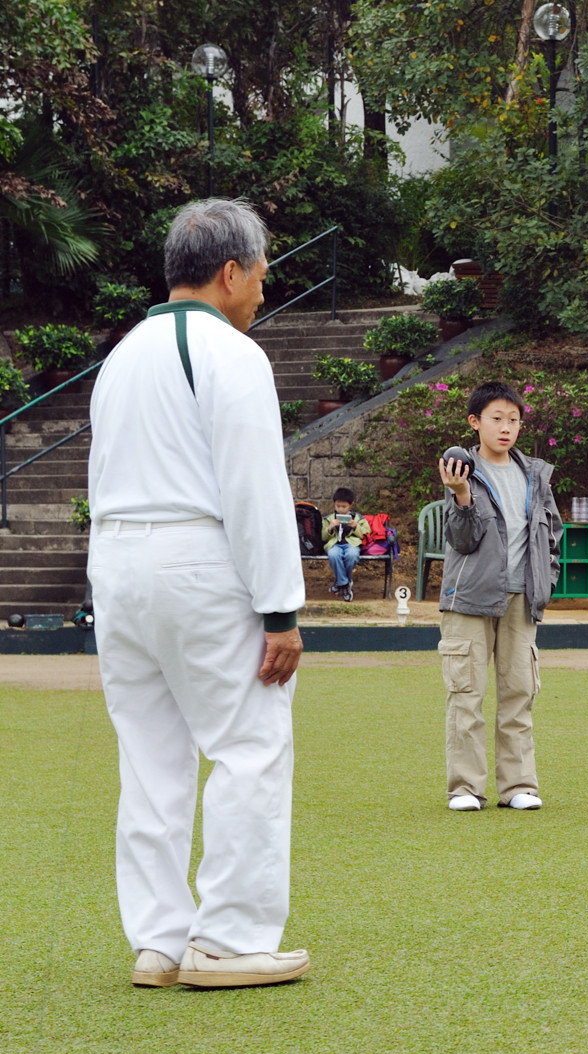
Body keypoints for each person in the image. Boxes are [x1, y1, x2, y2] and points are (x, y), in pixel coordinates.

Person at [87, 198, 309, 988]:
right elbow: (255, 488)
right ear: (228, 272)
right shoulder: (232, 354)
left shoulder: (122, 354)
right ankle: (231, 938)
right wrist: (280, 610)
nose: (262, 291)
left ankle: (158, 938)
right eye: (259, 276)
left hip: (116, 560)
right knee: (249, 743)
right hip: (197, 558)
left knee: (150, 758)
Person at [435, 381, 565, 812]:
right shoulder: (462, 470)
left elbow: (552, 535)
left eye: (514, 420)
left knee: (519, 694)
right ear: (475, 423)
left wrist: (547, 579)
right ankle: (465, 789)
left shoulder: (535, 475)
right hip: (469, 600)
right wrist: (461, 496)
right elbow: (460, 539)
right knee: (466, 696)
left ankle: (519, 787)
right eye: (497, 419)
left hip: (521, 599)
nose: (506, 427)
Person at [322, 487, 371, 601]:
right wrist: (330, 527)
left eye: (344, 507)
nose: (340, 509)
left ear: (350, 505)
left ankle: (339, 583)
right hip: (335, 544)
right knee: (333, 555)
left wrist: (356, 527)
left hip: (351, 544)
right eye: (338, 506)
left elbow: (366, 533)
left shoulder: (358, 518)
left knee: (352, 555)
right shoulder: (329, 519)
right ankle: (345, 584)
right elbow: (323, 537)